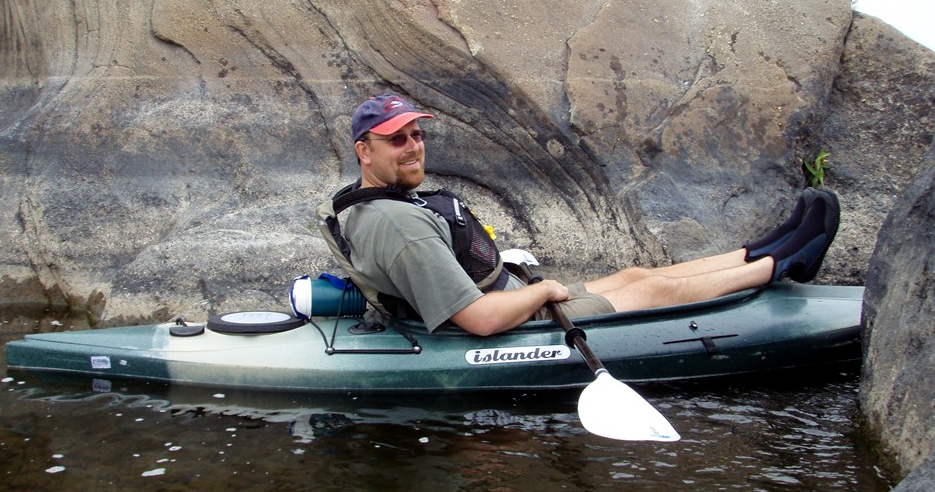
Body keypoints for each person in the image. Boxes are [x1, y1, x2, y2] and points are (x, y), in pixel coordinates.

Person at [331, 94, 840, 336]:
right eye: (396, 139)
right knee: (650, 292)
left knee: (634, 274)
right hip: (515, 321)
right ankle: (784, 266)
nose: (413, 146)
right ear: (364, 150)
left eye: (417, 134)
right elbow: (481, 321)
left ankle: (763, 249)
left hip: (509, 298)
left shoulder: (370, 201)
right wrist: (546, 290)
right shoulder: (399, 226)